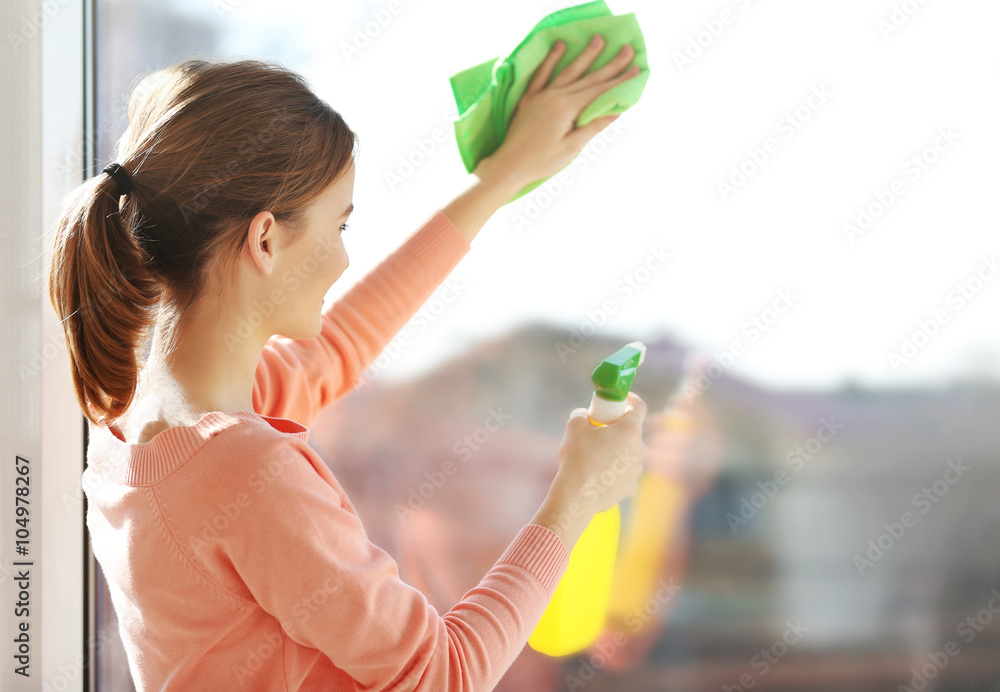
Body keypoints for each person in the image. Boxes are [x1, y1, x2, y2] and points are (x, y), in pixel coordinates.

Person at [47, 36, 646, 691]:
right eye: (340, 227)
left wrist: (497, 181)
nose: (343, 259)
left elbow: (337, 349)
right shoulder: (248, 472)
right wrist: (578, 496)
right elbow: (442, 674)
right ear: (265, 240)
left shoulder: (132, 420)